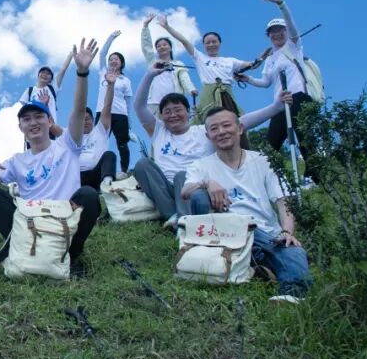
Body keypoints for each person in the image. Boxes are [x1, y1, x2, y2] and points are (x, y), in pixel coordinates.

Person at [0, 39, 100, 278]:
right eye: (27, 119)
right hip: (31, 225)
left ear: (49, 121)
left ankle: (71, 253)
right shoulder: (17, 161)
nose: (33, 122)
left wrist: (82, 73)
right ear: (20, 127)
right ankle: (19, 246)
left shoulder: (68, 144)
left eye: (38, 117)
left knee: (89, 196)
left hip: (64, 222)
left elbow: (79, 110)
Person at [133, 62, 290, 228]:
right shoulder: (159, 131)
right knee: (142, 164)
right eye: (167, 112)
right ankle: (174, 215)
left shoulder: (204, 131)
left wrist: (275, 107)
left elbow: (242, 122)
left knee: (181, 176)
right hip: (165, 189)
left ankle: (184, 222)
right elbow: (139, 106)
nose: (173, 115)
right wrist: (150, 74)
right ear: (162, 116)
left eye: (178, 110)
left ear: (189, 112)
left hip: (195, 187)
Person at [182, 107, 313, 303]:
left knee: (293, 250)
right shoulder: (201, 166)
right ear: (208, 136)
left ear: (240, 128)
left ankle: (291, 295)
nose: (221, 132)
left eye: (226, 125)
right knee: (198, 196)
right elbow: (185, 192)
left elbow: (283, 200)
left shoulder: (263, 160)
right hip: (225, 231)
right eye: (214, 128)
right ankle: (257, 264)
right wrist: (207, 183)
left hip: (263, 232)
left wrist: (287, 231)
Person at [236, 0, 315, 165]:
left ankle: (316, 177)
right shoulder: (270, 58)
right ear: (268, 35)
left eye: (281, 30)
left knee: (306, 143)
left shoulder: (293, 46)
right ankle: (268, 177)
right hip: (280, 103)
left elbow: (292, 26)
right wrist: (248, 79)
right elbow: (265, 83)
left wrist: (281, 4)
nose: (277, 34)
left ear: (286, 32)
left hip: (299, 98)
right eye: (273, 32)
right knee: (271, 146)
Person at [156, 16, 254, 121]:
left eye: (214, 42)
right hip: (209, 94)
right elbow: (184, 41)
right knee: (206, 121)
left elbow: (252, 64)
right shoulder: (200, 57)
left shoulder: (231, 61)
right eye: (208, 43)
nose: (211, 44)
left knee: (233, 120)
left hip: (227, 94)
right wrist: (167, 27)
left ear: (219, 43)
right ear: (203, 45)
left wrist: (262, 58)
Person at [141, 14, 196, 117]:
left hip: (173, 101)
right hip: (154, 103)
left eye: (164, 45)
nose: (162, 47)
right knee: (155, 127)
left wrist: (191, 89)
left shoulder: (178, 64)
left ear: (170, 48)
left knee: (175, 124)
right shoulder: (153, 62)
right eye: (158, 46)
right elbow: (146, 46)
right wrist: (145, 26)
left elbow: (184, 79)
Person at [97, 30, 133, 174]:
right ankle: (97, 171)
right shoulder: (103, 73)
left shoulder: (126, 80)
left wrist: (129, 123)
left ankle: (124, 171)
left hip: (120, 114)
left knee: (122, 144)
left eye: (116, 59)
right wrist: (111, 37)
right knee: (98, 142)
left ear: (121, 63)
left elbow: (129, 103)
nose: (113, 60)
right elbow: (102, 54)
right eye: (111, 59)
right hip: (102, 112)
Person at [79, 68, 119, 191]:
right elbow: (52, 127)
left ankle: (107, 185)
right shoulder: (71, 136)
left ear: (93, 120)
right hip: (77, 177)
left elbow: (107, 106)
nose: (84, 122)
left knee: (109, 155)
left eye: (87, 119)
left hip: (98, 174)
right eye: (81, 120)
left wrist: (110, 85)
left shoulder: (100, 130)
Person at [18, 52, 73, 121]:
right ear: (38, 76)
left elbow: (63, 70)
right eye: (43, 72)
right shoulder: (29, 90)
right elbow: (24, 110)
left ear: (51, 80)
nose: (45, 75)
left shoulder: (53, 88)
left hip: (50, 124)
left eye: (48, 74)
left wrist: (70, 56)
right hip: (34, 124)